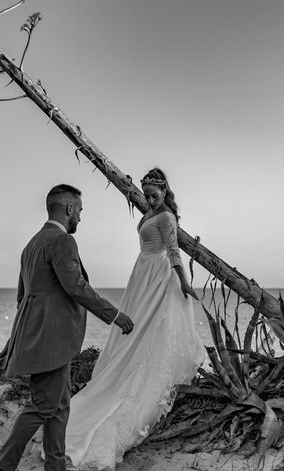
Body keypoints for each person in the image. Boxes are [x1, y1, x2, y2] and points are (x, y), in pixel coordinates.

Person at [62, 168, 206, 470]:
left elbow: (174, 252)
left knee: (152, 331)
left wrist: (184, 282)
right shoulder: (149, 208)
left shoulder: (167, 217)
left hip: (158, 275)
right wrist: (131, 191)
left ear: (165, 192)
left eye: (154, 195)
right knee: (135, 328)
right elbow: (138, 202)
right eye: (147, 195)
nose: (150, 200)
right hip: (142, 273)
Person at [0, 184, 134, 471]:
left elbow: (23, 297)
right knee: (43, 407)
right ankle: (5, 463)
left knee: (60, 407)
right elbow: (76, 286)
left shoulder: (31, 245)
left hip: (37, 339)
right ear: (70, 209)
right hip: (52, 342)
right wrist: (114, 315)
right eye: (80, 211)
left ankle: (56, 466)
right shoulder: (62, 242)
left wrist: (18, 340)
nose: (81, 218)